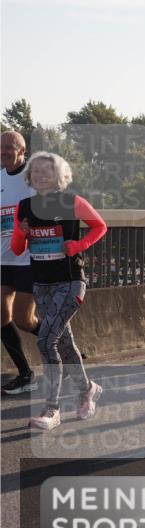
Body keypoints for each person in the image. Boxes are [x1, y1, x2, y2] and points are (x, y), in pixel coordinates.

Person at [10, 152, 107, 430]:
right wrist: (22, 231)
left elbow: (100, 226)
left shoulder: (71, 202)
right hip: (41, 285)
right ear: (30, 176)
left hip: (70, 282)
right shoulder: (24, 207)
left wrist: (77, 246)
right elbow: (18, 248)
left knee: (45, 341)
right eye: (36, 171)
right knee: (63, 342)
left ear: (59, 176)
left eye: (46, 171)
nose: (40, 175)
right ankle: (87, 389)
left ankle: (52, 409)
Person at [1, 131, 39, 395]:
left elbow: (55, 209)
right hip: (3, 259)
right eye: (0, 147)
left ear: (22, 150)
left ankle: (63, 344)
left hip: (28, 260)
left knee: (25, 320)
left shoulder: (34, 178)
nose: (2, 152)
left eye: (8, 148)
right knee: (0, 317)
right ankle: (25, 374)